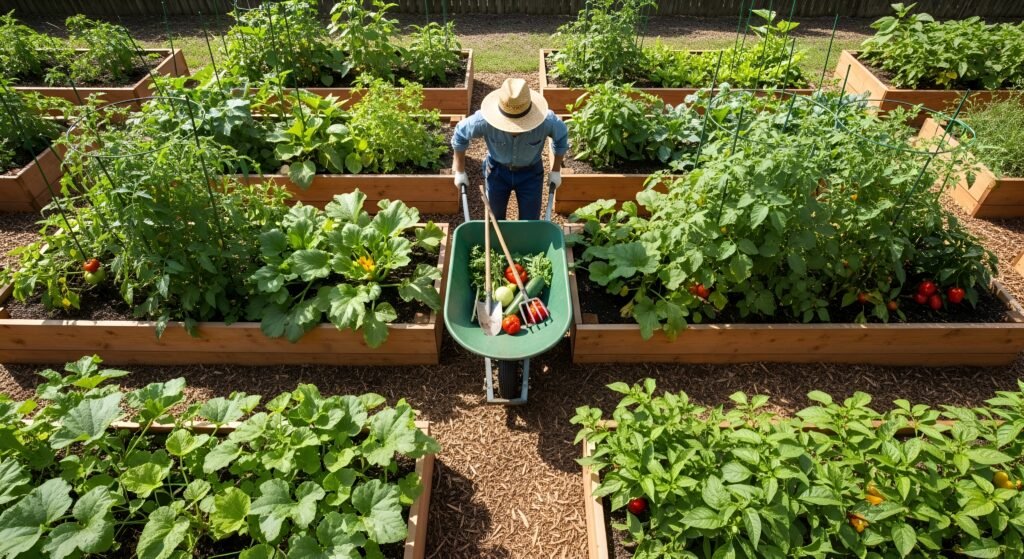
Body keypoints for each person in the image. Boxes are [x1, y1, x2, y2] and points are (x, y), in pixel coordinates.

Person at [452, 78, 569, 220]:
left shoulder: (547, 122)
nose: (515, 129)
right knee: (495, 220)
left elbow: (561, 138)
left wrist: (556, 170)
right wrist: (459, 170)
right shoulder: (484, 121)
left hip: (531, 174)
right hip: (497, 172)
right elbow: (459, 134)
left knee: (530, 222)